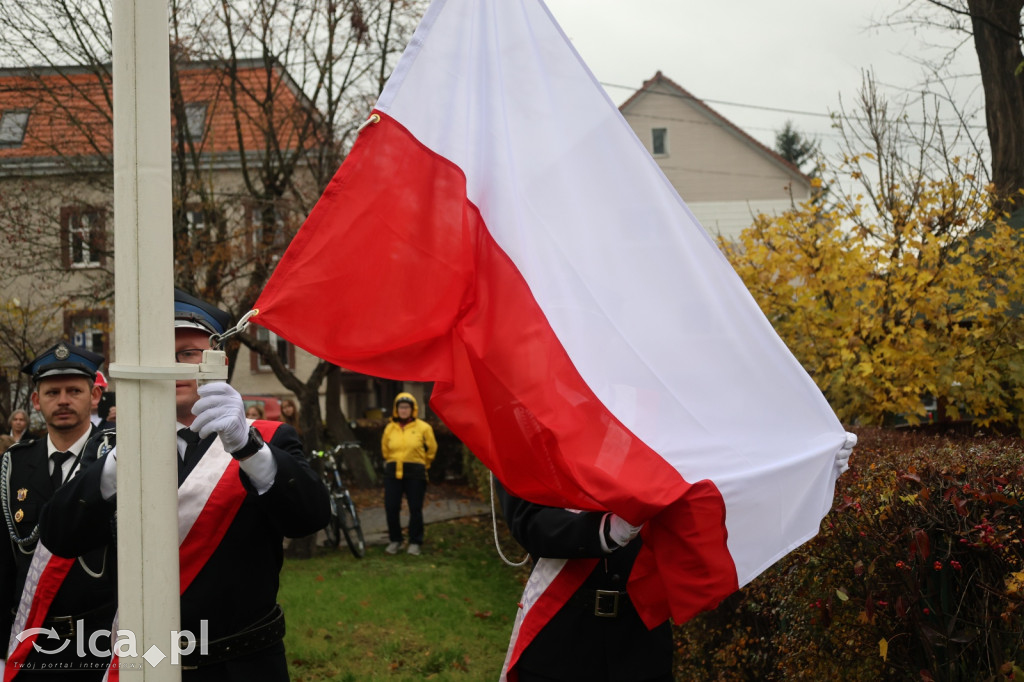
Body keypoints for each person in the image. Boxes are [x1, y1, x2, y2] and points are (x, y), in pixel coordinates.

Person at [41, 288, 331, 680]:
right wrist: (119, 463)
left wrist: (247, 447)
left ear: (218, 363)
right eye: (163, 355)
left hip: (240, 665)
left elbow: (310, 517)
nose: (175, 367)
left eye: (188, 354)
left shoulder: (270, 438)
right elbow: (59, 536)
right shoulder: (108, 446)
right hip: (143, 663)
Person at [1, 343, 116, 679]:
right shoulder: (14, 465)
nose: (63, 400)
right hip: (31, 642)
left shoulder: (117, 458)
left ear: (95, 396)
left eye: (74, 391)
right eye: (52, 392)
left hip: (101, 640)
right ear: (36, 402)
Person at [496, 481, 673, 682]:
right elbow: (528, 520)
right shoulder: (529, 447)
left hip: (643, 642)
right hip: (561, 642)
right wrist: (603, 531)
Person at [380, 393, 437, 556]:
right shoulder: (389, 428)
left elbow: (431, 449)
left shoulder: (423, 428)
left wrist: (424, 464)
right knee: (391, 507)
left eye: (406, 407)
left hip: (415, 473)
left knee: (415, 509)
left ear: (413, 409)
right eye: (400, 407)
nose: (403, 410)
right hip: (393, 473)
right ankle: (395, 540)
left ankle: (415, 542)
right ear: (396, 410)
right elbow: (385, 449)